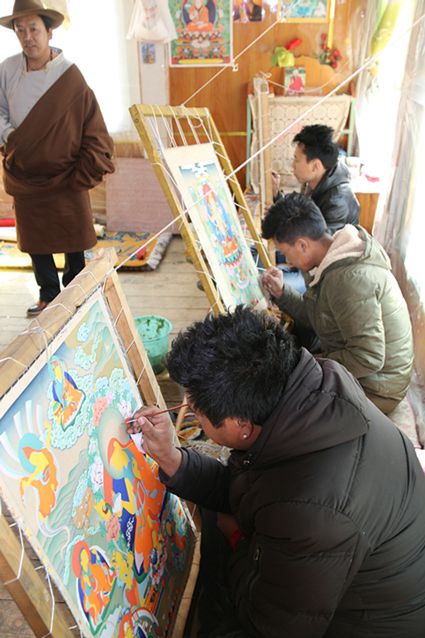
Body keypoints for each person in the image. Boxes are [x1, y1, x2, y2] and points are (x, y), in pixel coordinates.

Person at [127, 306, 425, 638]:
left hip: (368, 624)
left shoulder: (312, 511)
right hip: (340, 577)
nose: (189, 413)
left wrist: (237, 540)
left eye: (196, 412)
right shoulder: (308, 396)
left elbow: (272, 625)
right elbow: (251, 486)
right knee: (211, 519)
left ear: (240, 425)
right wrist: (171, 458)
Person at [0, 0, 115, 317]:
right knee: (35, 239)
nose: (28, 37)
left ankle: (76, 295)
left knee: (73, 235)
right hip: (26, 174)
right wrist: (11, 136)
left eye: (34, 29)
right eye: (20, 30)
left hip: (66, 175)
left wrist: (82, 169)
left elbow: (91, 124)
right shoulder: (7, 69)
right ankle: (48, 295)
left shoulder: (70, 77)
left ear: (49, 31)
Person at [261, 192, 413, 414]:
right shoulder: (332, 261)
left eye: (285, 253)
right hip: (371, 375)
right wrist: (282, 293)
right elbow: (317, 316)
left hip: (379, 389)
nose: (288, 261)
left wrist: (306, 365)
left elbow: (367, 358)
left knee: (283, 407)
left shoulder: (349, 280)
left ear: (302, 245)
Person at [273, 124, 360, 234]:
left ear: (315, 166)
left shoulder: (337, 201)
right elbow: (298, 213)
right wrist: (276, 194)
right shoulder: (314, 180)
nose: (293, 165)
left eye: (297, 160)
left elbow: (317, 240)